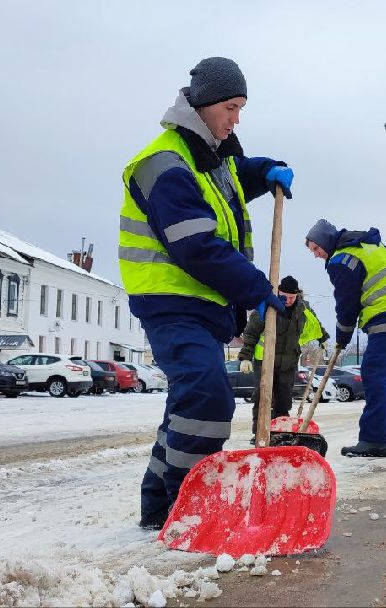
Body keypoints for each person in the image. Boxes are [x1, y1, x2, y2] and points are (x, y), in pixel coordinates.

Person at [119, 57, 295, 530]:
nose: (237, 118)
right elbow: (195, 244)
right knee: (206, 400)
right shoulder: (164, 163)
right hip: (171, 304)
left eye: (241, 108)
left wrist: (266, 172)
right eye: (232, 107)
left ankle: (159, 507)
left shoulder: (207, 156)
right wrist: (256, 288)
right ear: (206, 105)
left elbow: (232, 175)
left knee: (192, 403)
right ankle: (175, 503)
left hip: (199, 307)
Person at [305, 219, 386, 457]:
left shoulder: (341, 261)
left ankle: (374, 440)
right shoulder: (365, 242)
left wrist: (341, 338)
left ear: (326, 240)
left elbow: (346, 306)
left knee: (375, 377)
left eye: (316, 248)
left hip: (385, 317)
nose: (316, 255)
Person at [237, 275, 328, 441]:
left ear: (297, 295)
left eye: (292, 297)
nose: (288, 300)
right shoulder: (268, 305)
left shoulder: (303, 309)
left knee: (284, 399)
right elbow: (251, 333)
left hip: (288, 362)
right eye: (285, 296)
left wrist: (324, 338)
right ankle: (259, 433)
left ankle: (279, 432)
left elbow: (315, 324)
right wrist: (245, 357)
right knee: (263, 397)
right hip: (264, 362)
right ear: (278, 291)